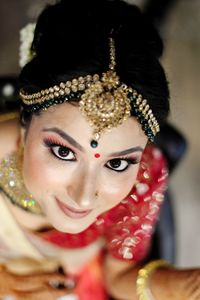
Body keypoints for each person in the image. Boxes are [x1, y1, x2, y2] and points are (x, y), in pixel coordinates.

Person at [0, 0, 200, 299]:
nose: (83, 196)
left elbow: (118, 276)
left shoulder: (145, 176)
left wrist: (185, 286)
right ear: (25, 123)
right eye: (64, 152)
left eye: (117, 164)